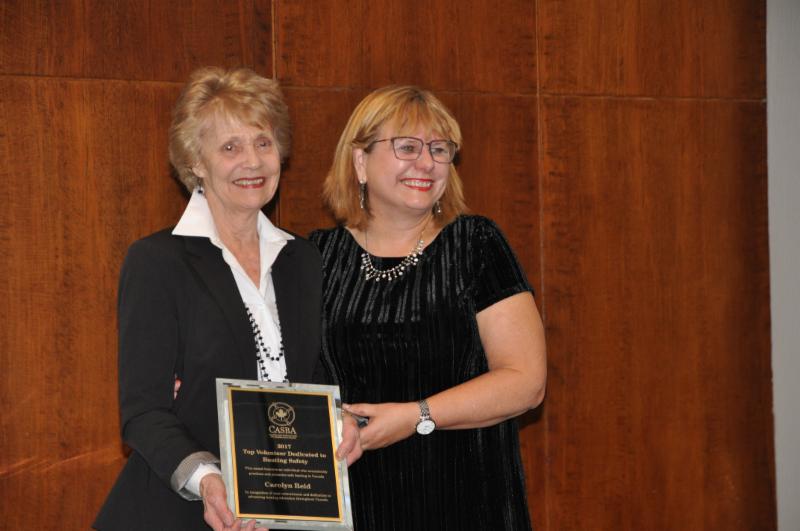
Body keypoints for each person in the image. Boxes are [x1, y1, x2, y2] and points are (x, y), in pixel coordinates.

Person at [94, 67, 334, 531]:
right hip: (179, 512)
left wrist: (342, 429)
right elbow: (143, 412)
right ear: (196, 162)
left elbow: (314, 382)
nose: (253, 161)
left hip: (285, 510)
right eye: (230, 148)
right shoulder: (158, 262)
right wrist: (206, 479)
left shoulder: (303, 260)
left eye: (263, 143)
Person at [310, 85, 547, 530]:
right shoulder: (317, 257)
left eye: (439, 149)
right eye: (407, 147)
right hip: (357, 502)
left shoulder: (475, 245)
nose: (426, 163)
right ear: (360, 161)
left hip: (466, 499)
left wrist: (414, 416)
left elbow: (526, 382)